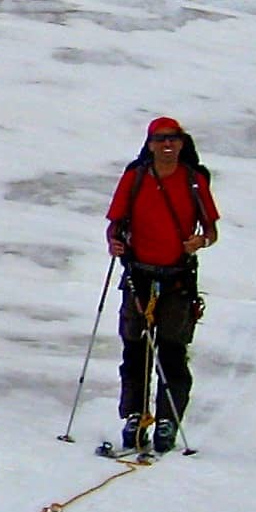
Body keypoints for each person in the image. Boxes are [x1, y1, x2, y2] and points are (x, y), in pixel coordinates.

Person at [105, 116, 219, 454]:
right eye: (160, 139)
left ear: (183, 143)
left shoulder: (195, 181)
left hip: (177, 276)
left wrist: (200, 241)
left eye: (173, 138)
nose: (167, 145)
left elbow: (211, 230)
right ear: (150, 143)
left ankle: (167, 419)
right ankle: (136, 416)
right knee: (135, 349)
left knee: (170, 350)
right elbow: (115, 224)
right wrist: (114, 242)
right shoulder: (135, 177)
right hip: (138, 272)